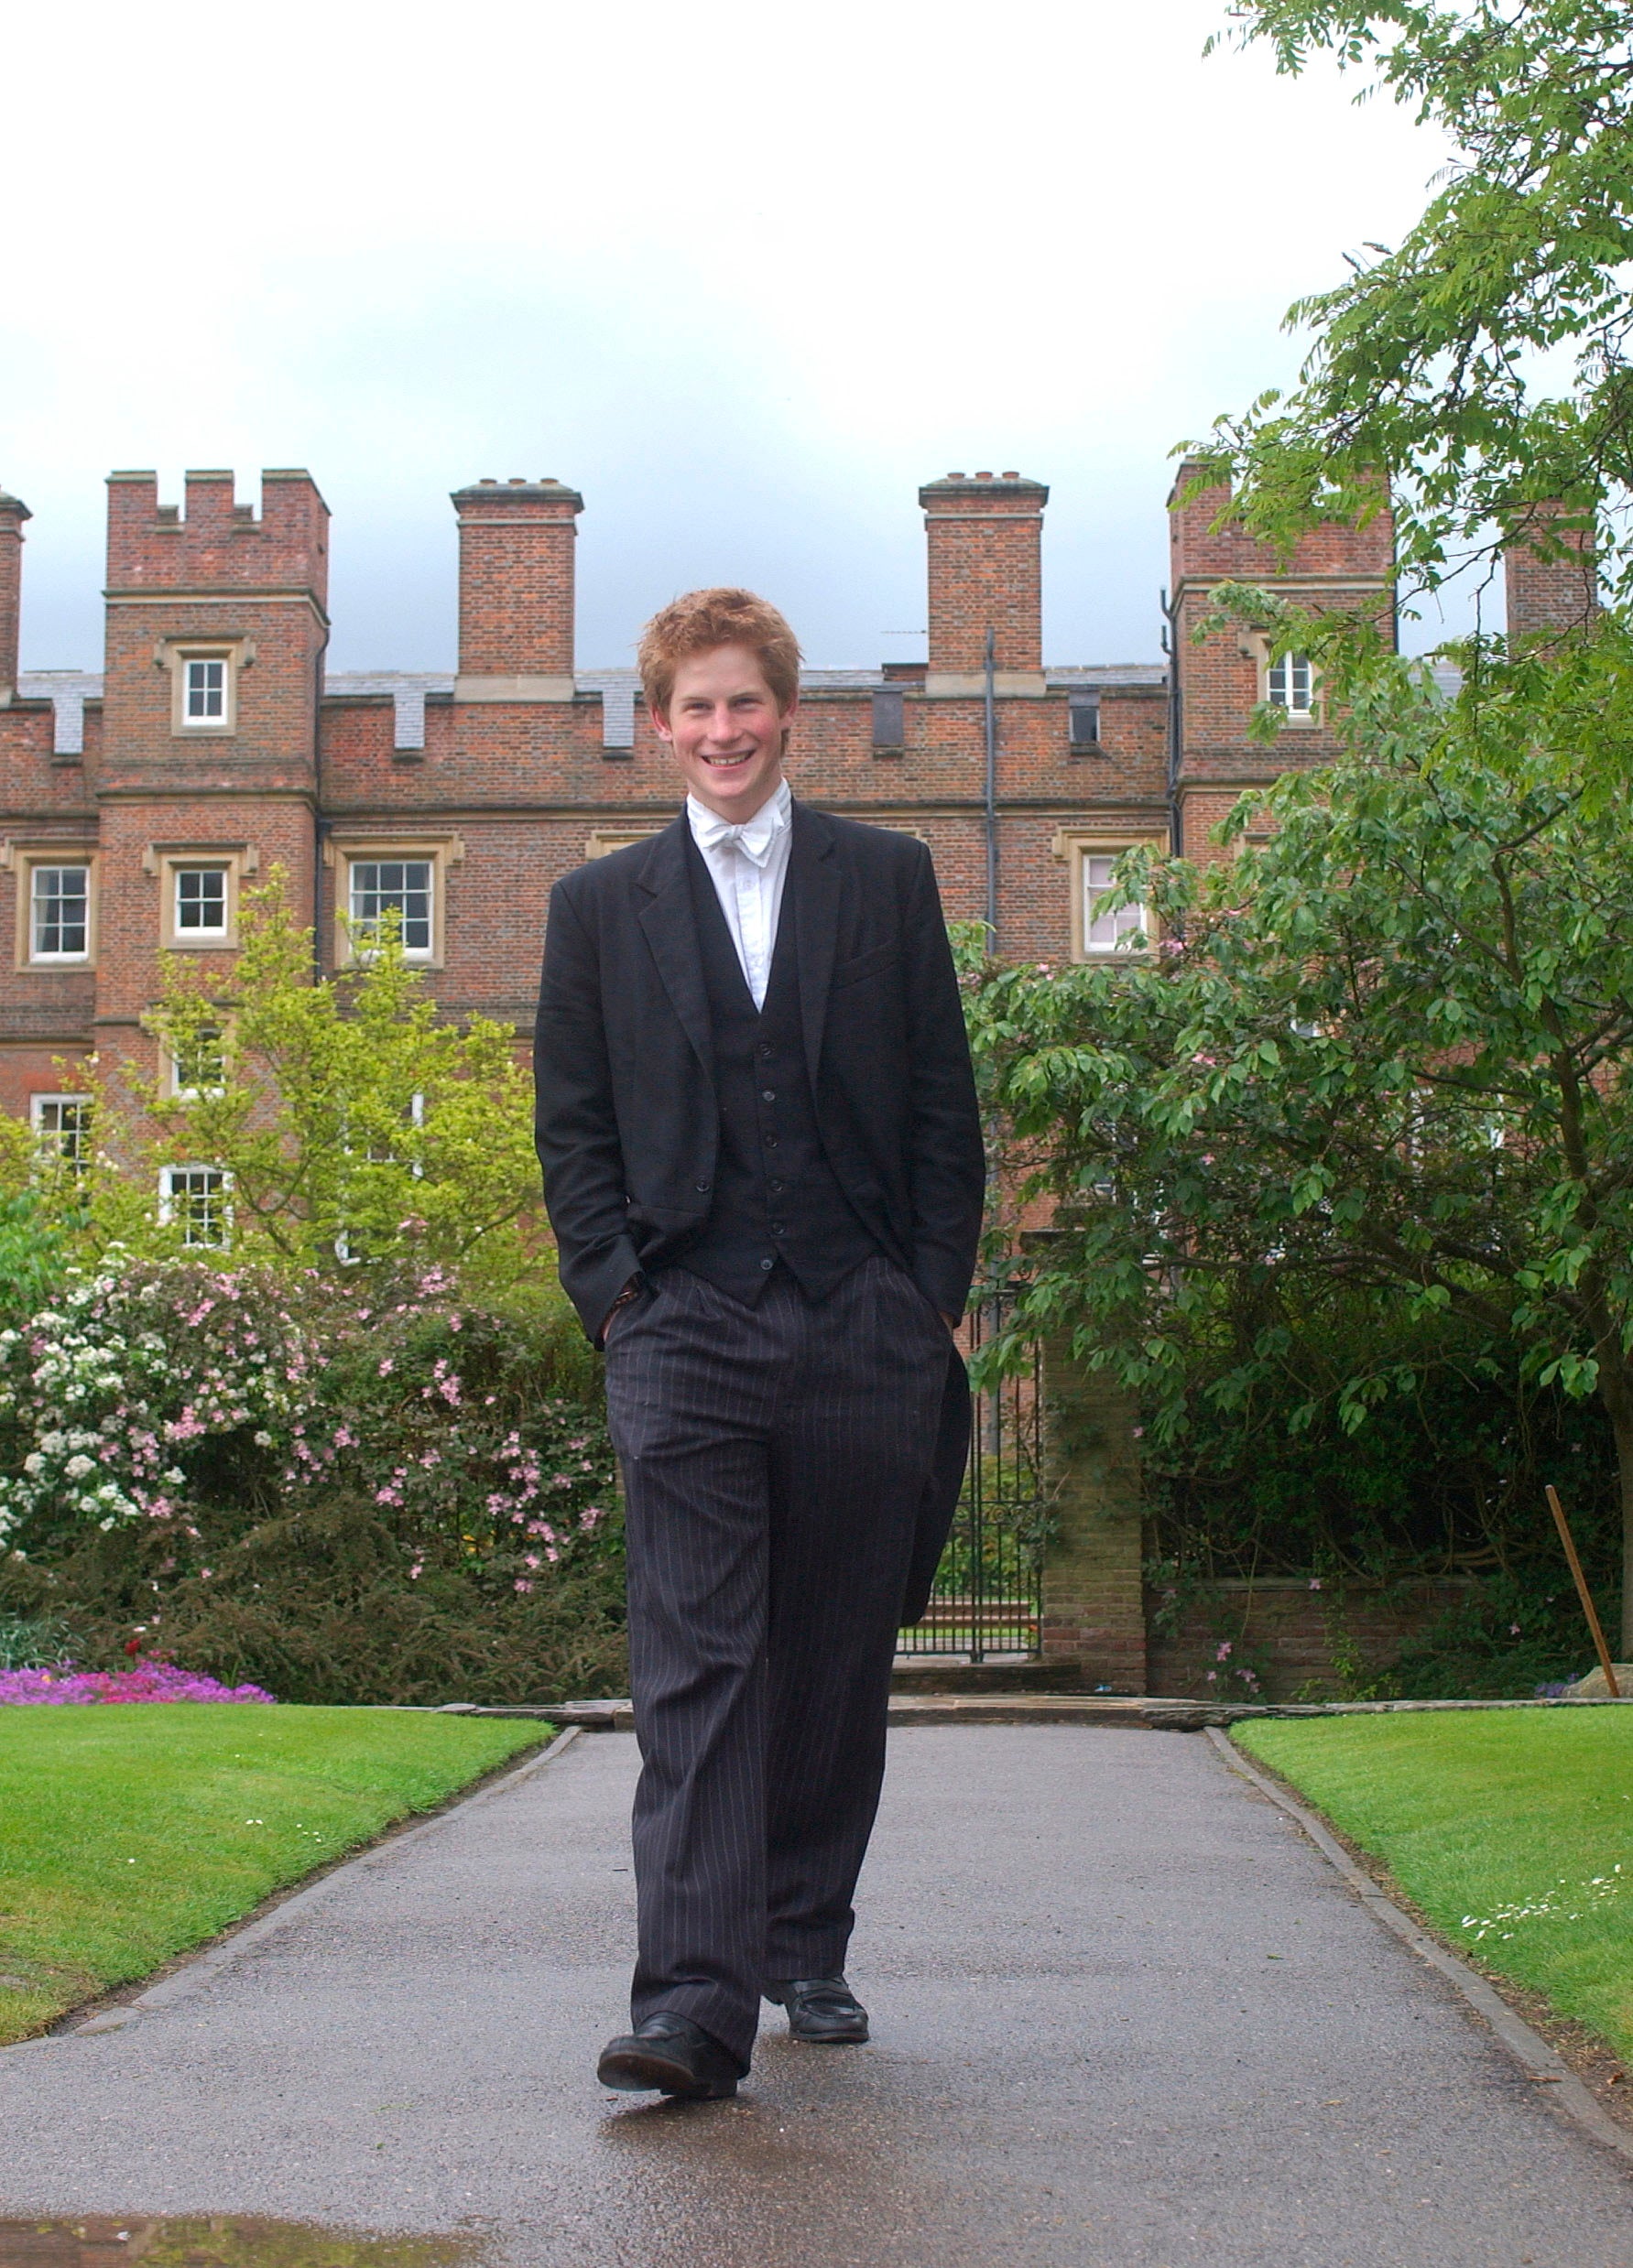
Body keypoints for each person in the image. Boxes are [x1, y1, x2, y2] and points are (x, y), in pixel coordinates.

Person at [533, 587, 985, 2100]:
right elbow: (574, 1131)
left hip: (863, 1315)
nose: (721, 733)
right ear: (657, 727)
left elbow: (942, 1108)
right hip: (682, 1322)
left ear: (788, 715)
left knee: (836, 1655)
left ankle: (807, 1932)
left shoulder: (886, 878)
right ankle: (691, 2003)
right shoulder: (598, 911)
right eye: (694, 709)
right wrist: (615, 1296)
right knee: (700, 1667)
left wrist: (926, 1298)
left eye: (744, 705)